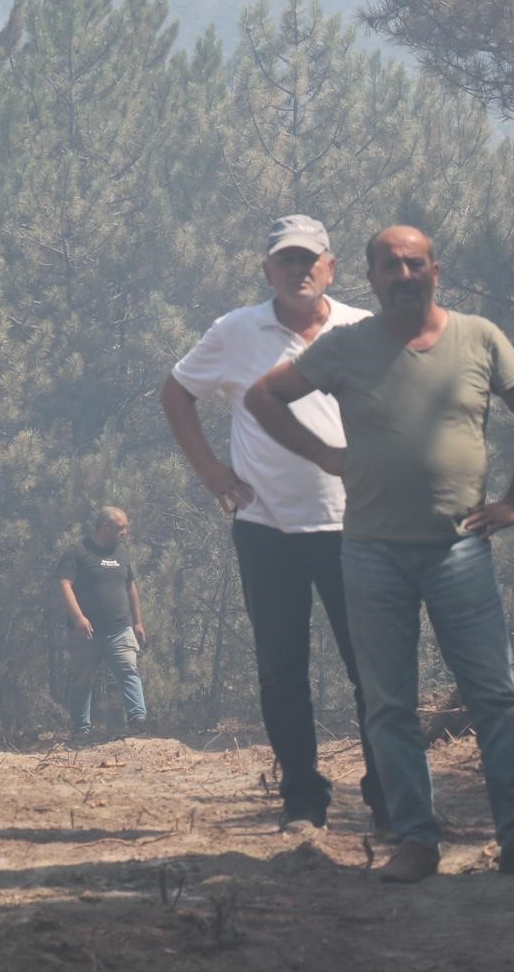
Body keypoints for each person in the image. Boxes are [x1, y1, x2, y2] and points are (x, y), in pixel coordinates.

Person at [245, 224, 514, 882]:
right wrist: (325, 454)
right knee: (388, 703)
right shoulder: (346, 347)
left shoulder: (479, 338)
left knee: (496, 696)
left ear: (435, 271)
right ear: (370, 277)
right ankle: (416, 840)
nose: (403, 275)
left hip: (459, 549)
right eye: (389, 266)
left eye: (414, 263)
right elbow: (263, 397)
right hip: (369, 553)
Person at [162, 214, 385, 834]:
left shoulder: (362, 328)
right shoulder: (235, 331)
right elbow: (176, 393)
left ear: (331, 268)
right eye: (286, 260)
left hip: (356, 525)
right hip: (267, 527)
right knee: (282, 668)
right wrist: (212, 473)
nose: (298, 270)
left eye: (309, 259)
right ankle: (303, 801)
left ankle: (389, 798)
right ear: (267, 270)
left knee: (372, 667)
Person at [56, 507, 148, 739]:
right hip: (87, 633)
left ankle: (139, 722)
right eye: (120, 528)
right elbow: (64, 585)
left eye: (125, 527)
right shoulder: (77, 552)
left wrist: (138, 622)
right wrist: (78, 619)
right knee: (82, 680)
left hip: (120, 628)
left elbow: (130, 587)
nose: (125, 532)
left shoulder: (122, 552)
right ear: (104, 527)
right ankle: (80, 730)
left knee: (129, 671)